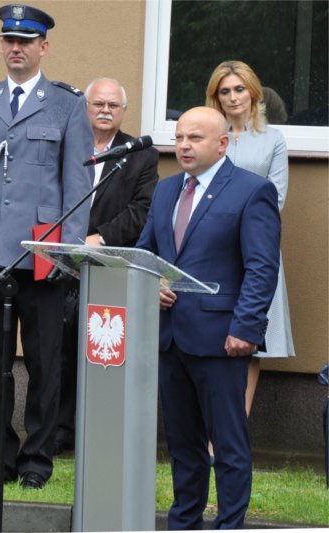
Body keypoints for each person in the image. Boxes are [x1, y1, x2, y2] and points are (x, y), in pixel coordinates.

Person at [0, 4, 93, 490]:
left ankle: (36, 462)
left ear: (43, 47)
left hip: (42, 256)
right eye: (9, 40)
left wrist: (67, 255)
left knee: (44, 365)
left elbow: (77, 189)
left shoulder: (67, 104)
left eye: (26, 41)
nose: (16, 48)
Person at [136, 106, 280, 529]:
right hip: (170, 338)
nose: (184, 145)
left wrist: (246, 328)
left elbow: (261, 267)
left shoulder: (252, 191)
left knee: (228, 445)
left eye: (195, 138)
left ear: (222, 143)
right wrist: (151, 286)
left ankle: (229, 524)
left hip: (222, 339)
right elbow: (146, 254)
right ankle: (185, 521)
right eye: (179, 137)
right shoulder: (166, 190)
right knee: (183, 444)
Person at [54, 77, 158, 454]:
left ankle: (100, 431)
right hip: (62, 263)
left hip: (110, 267)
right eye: (98, 103)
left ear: (124, 111)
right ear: (86, 108)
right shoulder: (66, 146)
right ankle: (60, 430)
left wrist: (99, 238)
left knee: (103, 351)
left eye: (113, 105)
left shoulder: (140, 154)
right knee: (60, 352)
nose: (105, 110)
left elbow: (142, 211)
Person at [205, 61, 295, 420]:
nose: (233, 97)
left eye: (239, 89)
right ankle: (211, 431)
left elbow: (276, 200)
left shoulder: (273, 139)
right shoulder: (208, 135)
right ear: (216, 97)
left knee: (252, 342)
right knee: (212, 337)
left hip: (256, 251)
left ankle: (233, 431)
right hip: (211, 250)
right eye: (225, 91)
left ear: (253, 91)